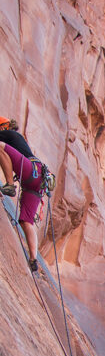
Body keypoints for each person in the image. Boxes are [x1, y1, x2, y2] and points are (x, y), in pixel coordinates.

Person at [0, 116, 44, 271]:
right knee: (26, 221)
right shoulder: (17, 138)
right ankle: (33, 259)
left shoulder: (10, 135)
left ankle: (10, 186)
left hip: (31, 171)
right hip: (37, 180)